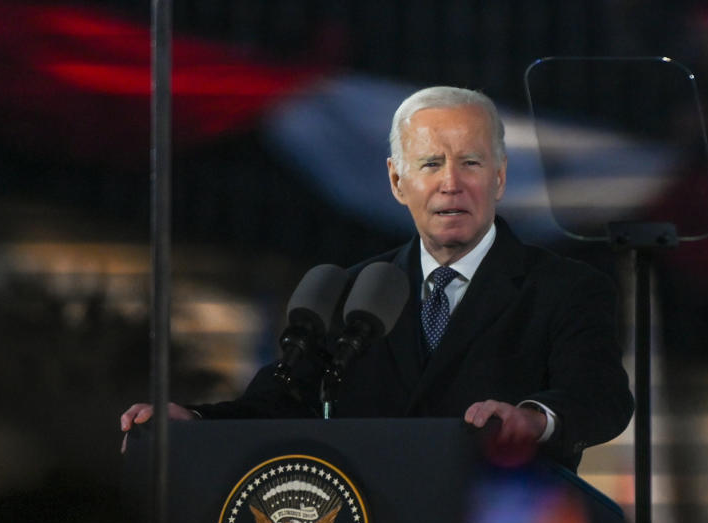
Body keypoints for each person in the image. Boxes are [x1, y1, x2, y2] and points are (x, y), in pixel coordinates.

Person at [121, 86, 633, 471]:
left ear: (499, 176)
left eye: (470, 163)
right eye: (431, 163)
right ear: (396, 181)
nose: (451, 183)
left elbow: (601, 397)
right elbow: (278, 404)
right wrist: (197, 425)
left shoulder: (565, 288)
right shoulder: (350, 291)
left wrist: (534, 418)